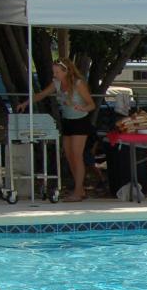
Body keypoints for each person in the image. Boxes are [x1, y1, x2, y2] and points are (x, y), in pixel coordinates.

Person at [17, 57, 97, 201]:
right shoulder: (57, 83)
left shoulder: (78, 84)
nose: (55, 75)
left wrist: (81, 107)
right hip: (67, 122)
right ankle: (80, 189)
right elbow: (41, 94)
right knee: (69, 156)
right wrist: (25, 103)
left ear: (66, 71)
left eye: (57, 72)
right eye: (54, 72)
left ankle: (78, 192)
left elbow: (92, 104)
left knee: (77, 156)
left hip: (80, 122)